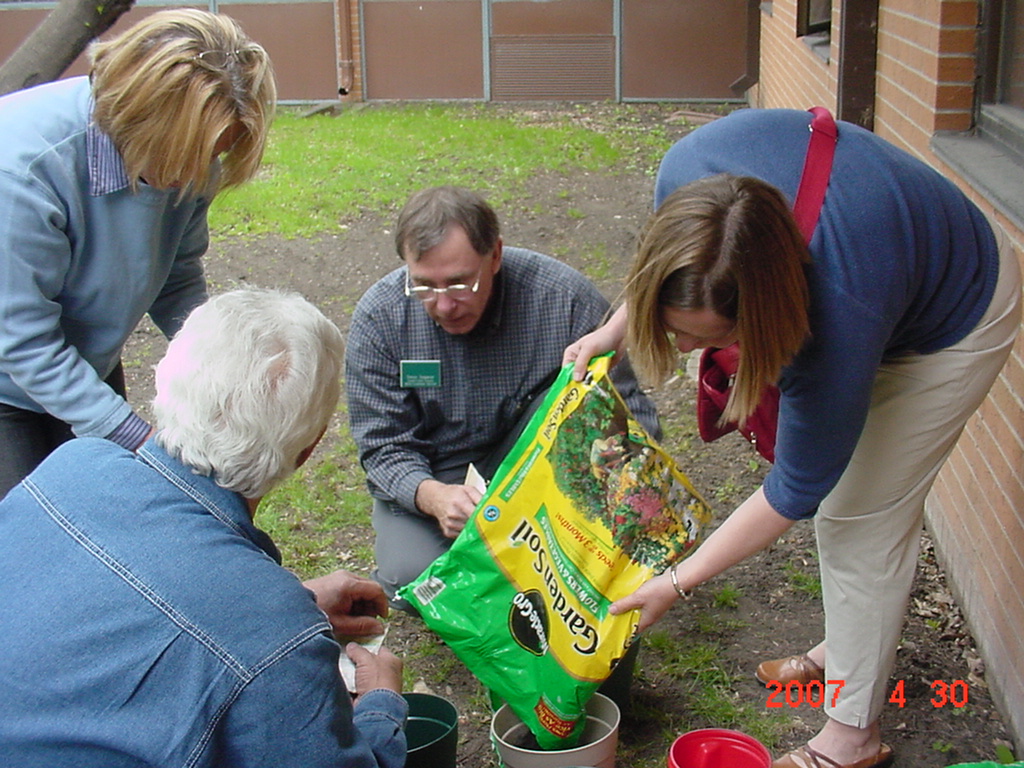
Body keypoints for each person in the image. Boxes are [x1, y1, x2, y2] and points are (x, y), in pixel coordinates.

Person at [564, 108, 1021, 768]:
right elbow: (676, 260)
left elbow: (796, 490)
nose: (687, 350)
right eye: (676, 328)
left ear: (768, 310)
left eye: (710, 339)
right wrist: (612, 330)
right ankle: (852, 649)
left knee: (859, 516)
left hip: (955, 316)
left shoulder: (833, 320)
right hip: (889, 262)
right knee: (857, 503)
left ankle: (851, 736)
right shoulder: (687, 175)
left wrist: (676, 582)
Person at [0, 288, 407, 767]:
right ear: (309, 448)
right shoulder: (276, 643)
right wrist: (382, 706)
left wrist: (289, 606)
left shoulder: (69, 467)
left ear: (167, 381)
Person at [0, 9, 276, 498]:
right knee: (26, 538)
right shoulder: (23, 172)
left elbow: (177, 277)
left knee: (106, 512)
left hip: (86, 362)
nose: (197, 175)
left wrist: (220, 361)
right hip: (7, 381)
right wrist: (135, 437)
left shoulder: (195, 149)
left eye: (211, 159)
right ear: (140, 117)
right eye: (185, 158)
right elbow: (23, 342)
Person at [345, 185, 661, 605]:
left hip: (544, 468)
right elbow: (383, 446)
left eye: (460, 284)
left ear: (495, 256)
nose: (443, 306)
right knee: (412, 581)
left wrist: (584, 493)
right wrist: (433, 497)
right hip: (441, 472)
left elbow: (630, 413)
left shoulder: (562, 299)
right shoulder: (380, 319)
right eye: (423, 286)